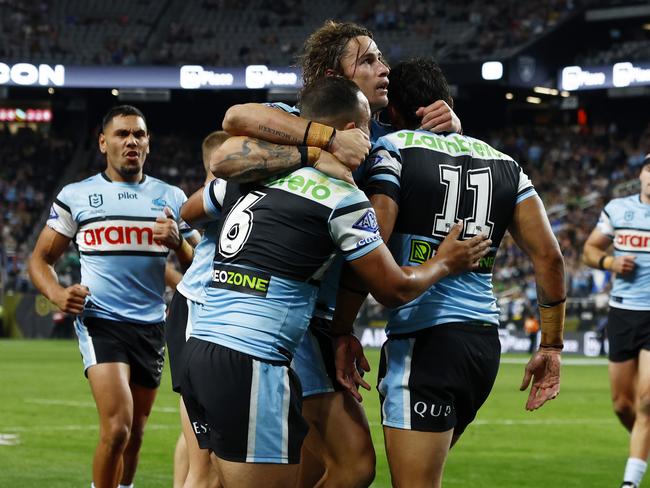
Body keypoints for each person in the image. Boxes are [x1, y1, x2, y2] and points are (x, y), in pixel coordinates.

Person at [180, 76, 491, 488]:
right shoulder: (343, 199)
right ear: (348, 132)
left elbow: (191, 209)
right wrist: (445, 262)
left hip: (200, 345)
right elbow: (393, 288)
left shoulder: (255, 171)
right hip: (252, 362)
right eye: (365, 130)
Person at [332, 58, 566, 488]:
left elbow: (371, 245)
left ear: (393, 113)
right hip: (481, 348)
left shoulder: (395, 148)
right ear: (447, 104)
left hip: (426, 345)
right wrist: (551, 346)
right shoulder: (506, 165)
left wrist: (342, 327)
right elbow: (550, 258)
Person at [28, 105, 195, 488]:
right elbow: (40, 259)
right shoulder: (77, 195)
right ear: (103, 142)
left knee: (135, 435)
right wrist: (56, 293)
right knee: (117, 428)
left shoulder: (171, 196)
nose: (131, 141)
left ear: (148, 143)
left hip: (152, 327)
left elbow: (198, 266)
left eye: (139, 134)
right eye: (122, 134)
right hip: (100, 321)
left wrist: (179, 244)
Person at [166, 131, 230, 488]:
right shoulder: (219, 192)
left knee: (196, 440)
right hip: (200, 309)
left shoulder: (223, 193)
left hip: (208, 308)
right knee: (208, 458)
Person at [583, 154, 650, 488]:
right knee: (623, 404)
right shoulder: (618, 209)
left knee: (647, 400)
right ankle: (644, 443)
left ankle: (630, 482)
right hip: (623, 313)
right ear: (641, 173)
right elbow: (589, 250)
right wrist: (610, 262)